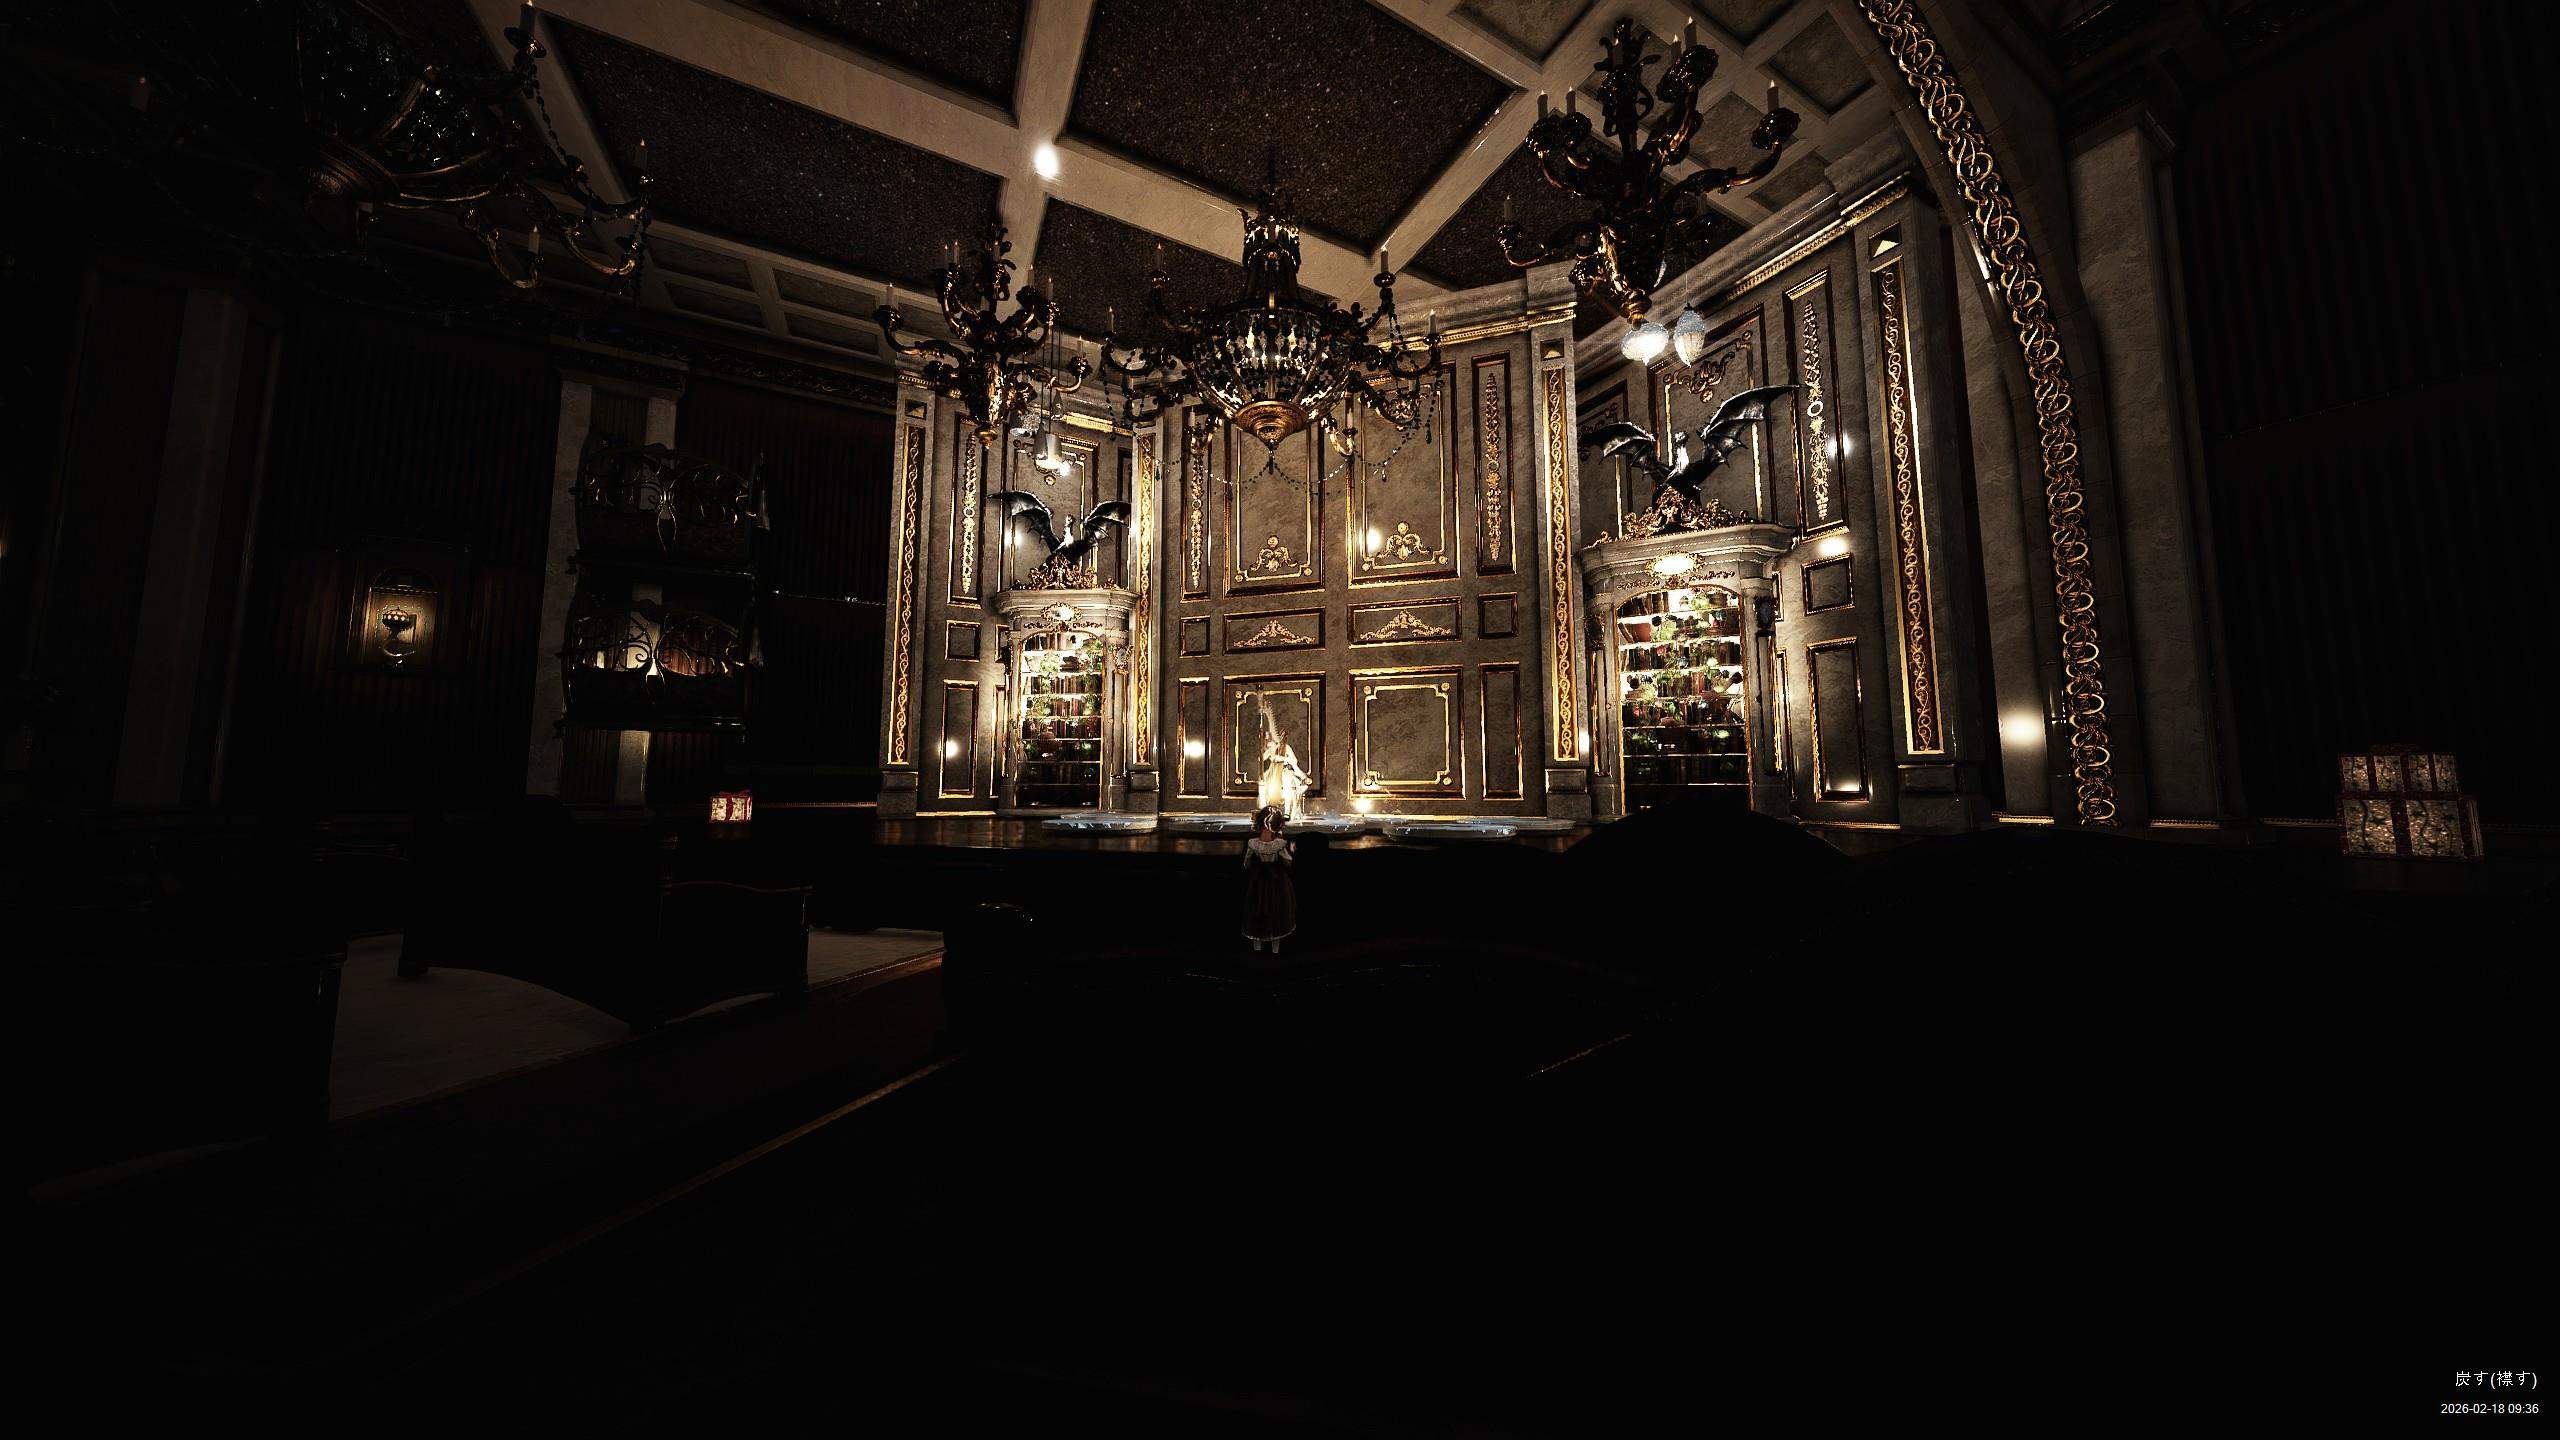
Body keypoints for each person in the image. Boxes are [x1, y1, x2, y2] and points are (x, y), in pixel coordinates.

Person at [1241, 805, 1296, 952]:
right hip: (1277, 882)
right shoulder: (1279, 844)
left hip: (1258, 881)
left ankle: (1257, 948)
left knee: (1257, 910)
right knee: (1276, 911)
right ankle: (1275, 950)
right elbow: (1289, 861)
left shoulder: (1253, 843)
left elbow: (1246, 863)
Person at [1255, 698, 1311, 818]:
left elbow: (1294, 761)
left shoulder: (1286, 747)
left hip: (1287, 770)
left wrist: (1281, 758)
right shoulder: (1272, 748)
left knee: (1286, 780)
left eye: (1276, 738)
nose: (1274, 740)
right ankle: (1265, 808)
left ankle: (1286, 812)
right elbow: (1262, 759)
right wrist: (1263, 753)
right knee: (1263, 780)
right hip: (1275, 772)